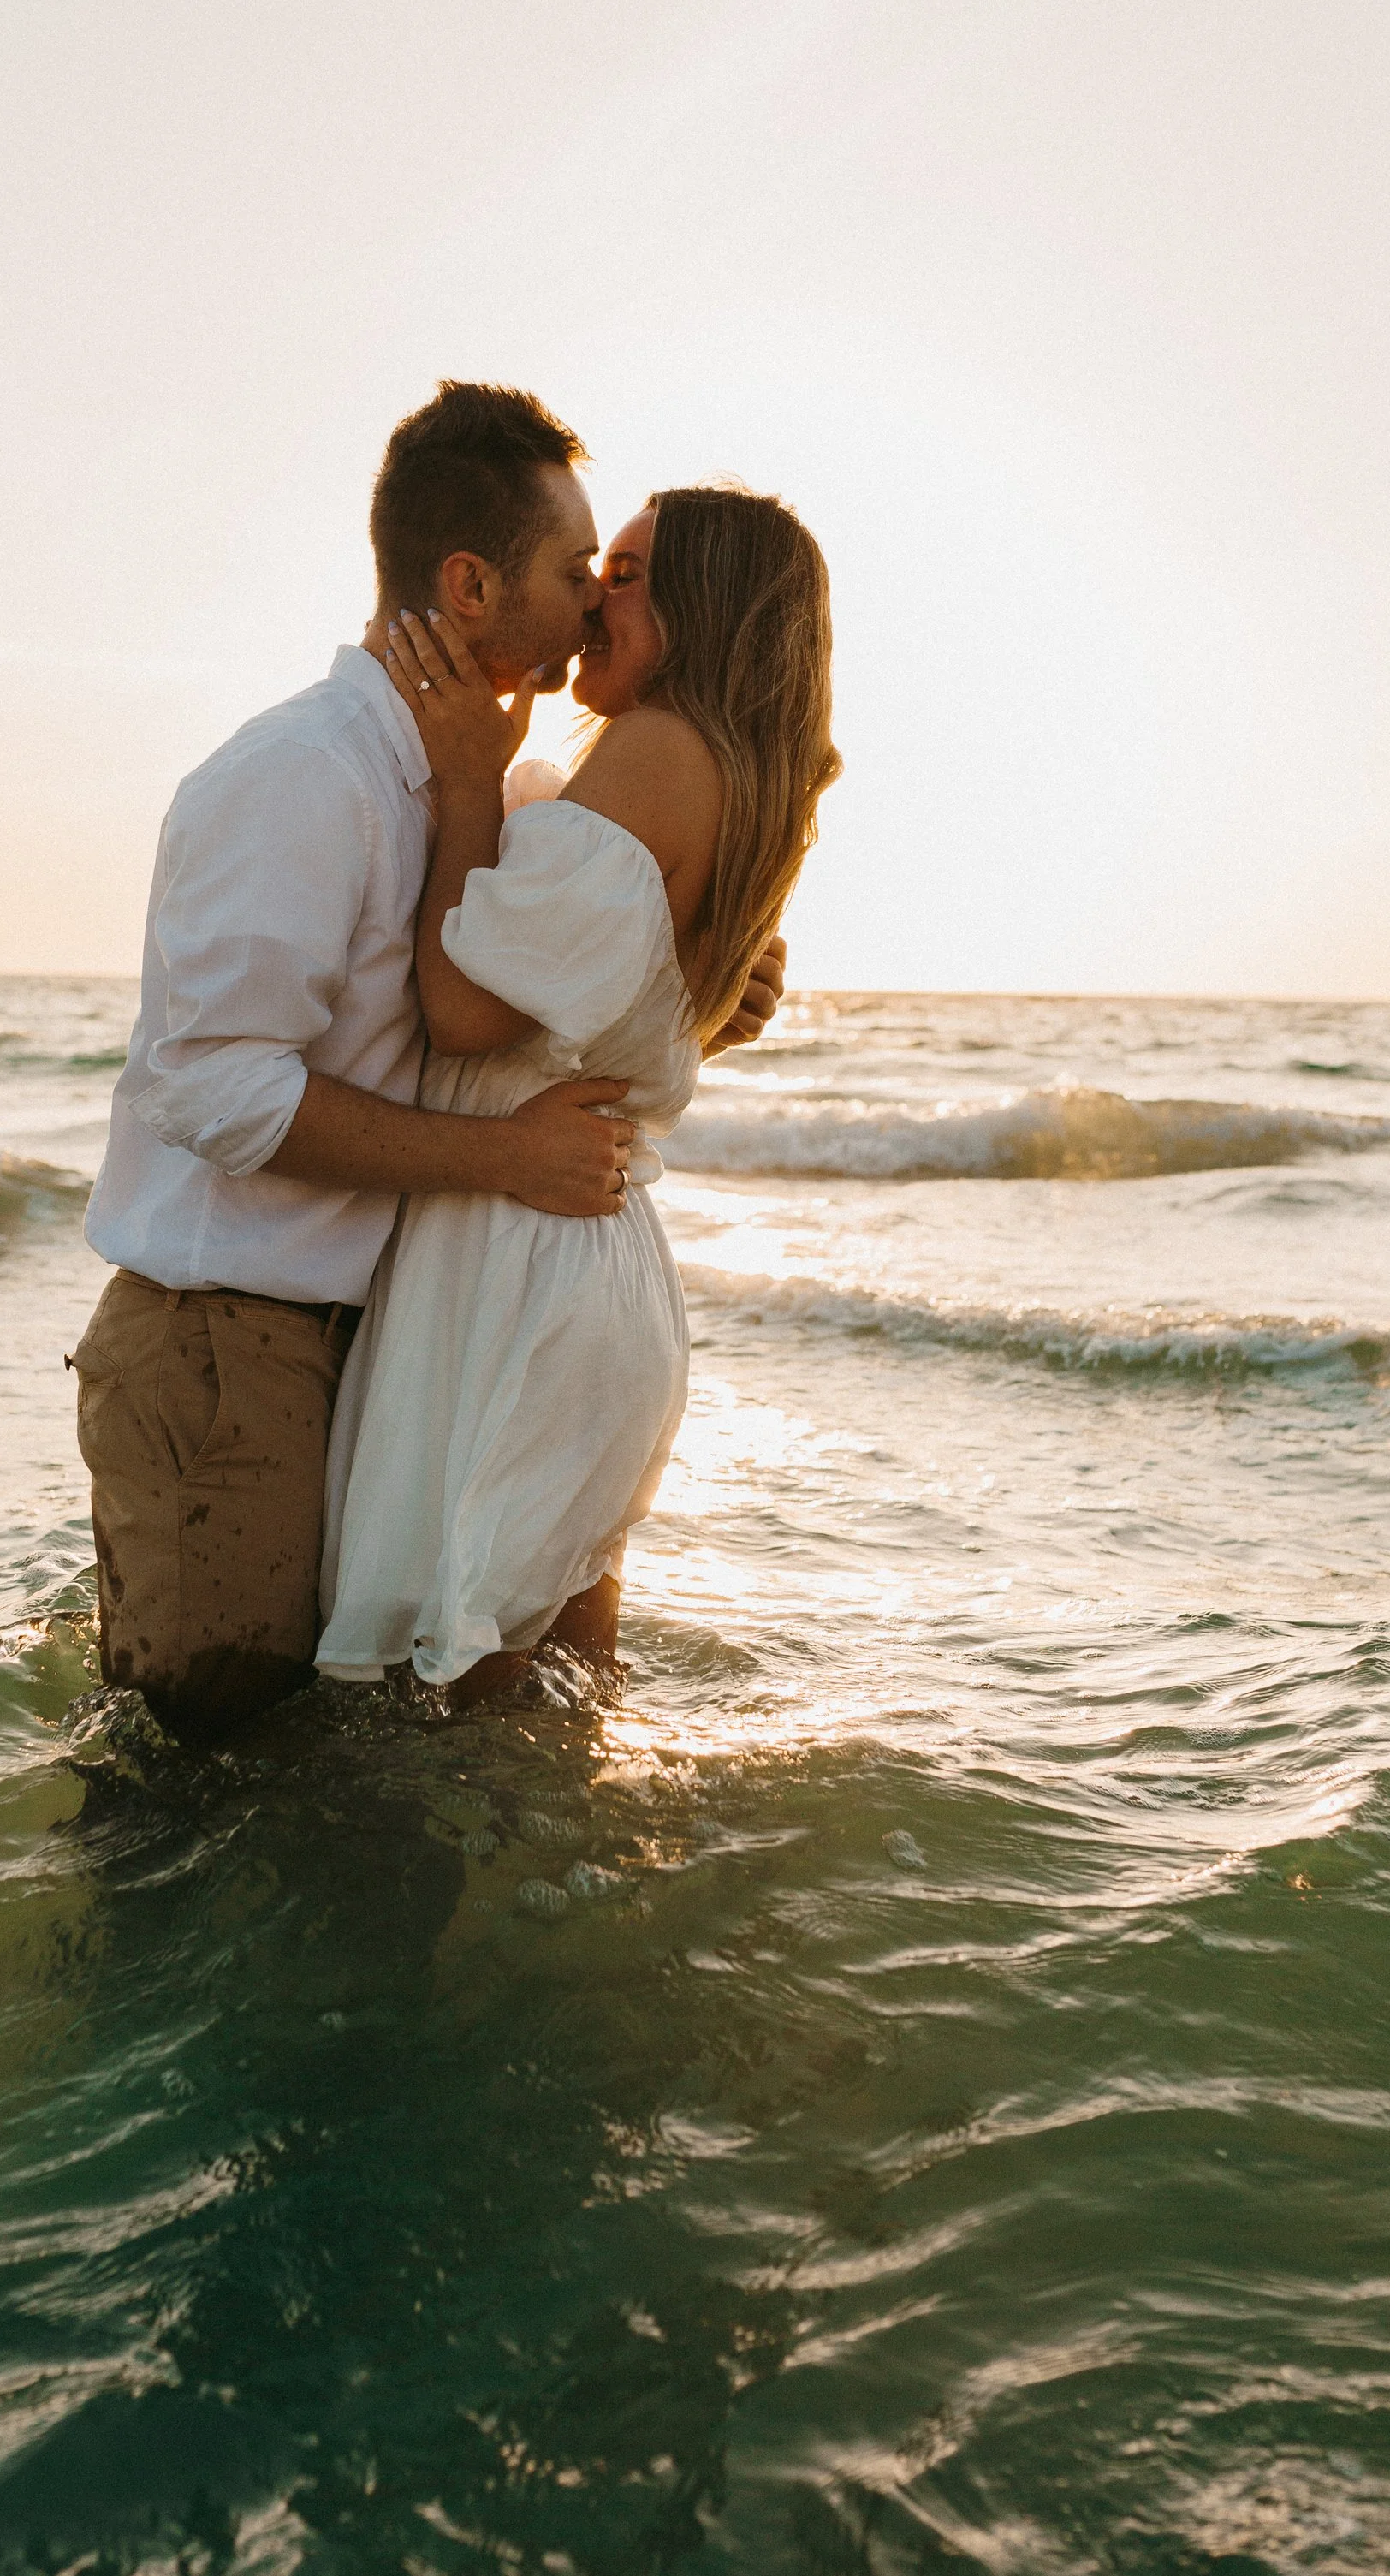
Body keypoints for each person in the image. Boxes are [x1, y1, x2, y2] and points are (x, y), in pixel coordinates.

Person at [70, 384, 785, 1738]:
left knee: (337, 1776)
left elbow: (553, 973)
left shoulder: (494, 781)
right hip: (230, 1340)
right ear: (470, 585)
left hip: (368, 1335)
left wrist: (703, 979)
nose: (591, 602)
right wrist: (505, 1158)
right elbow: (212, 1084)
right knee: (201, 1769)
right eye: (577, 572)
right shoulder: (301, 776)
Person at [317, 484, 839, 1701]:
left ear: (704, 609)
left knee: (458, 1701)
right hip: (587, 1263)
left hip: (522, 1264)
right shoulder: (730, 780)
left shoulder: (659, 752)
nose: (596, 598)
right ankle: (582, 1895)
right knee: (555, 1689)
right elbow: (637, 1010)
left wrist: (460, 783)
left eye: (631, 575)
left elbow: (460, 1008)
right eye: (598, 569)